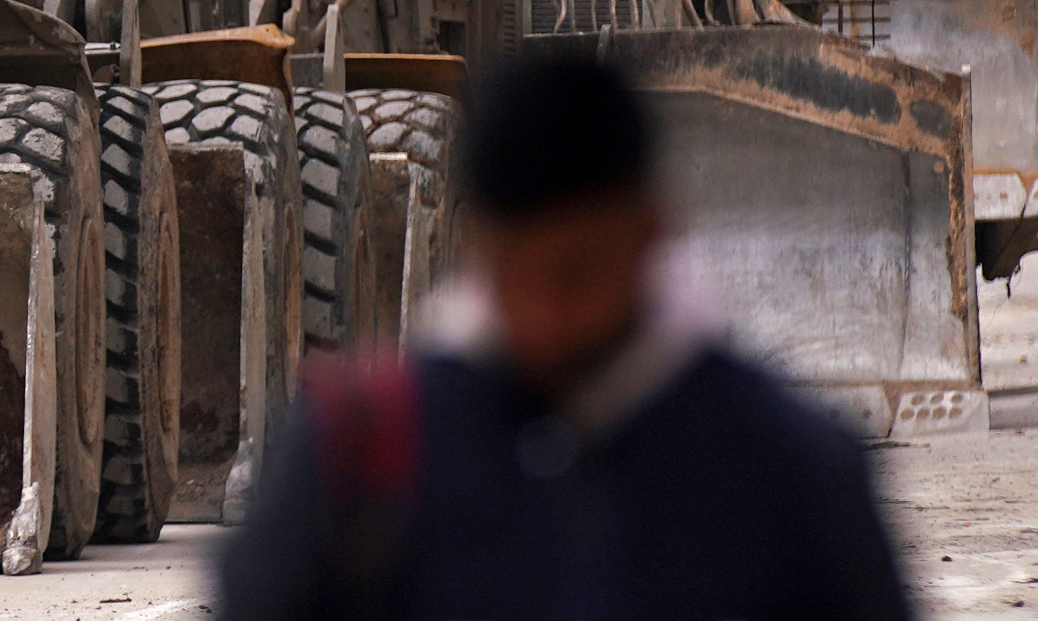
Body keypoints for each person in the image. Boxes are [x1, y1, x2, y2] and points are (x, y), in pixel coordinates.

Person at [216, 51, 912, 621]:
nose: (548, 316)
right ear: (479, 245)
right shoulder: (356, 459)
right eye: (520, 276)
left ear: (651, 232)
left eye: (578, 274)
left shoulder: (789, 473)